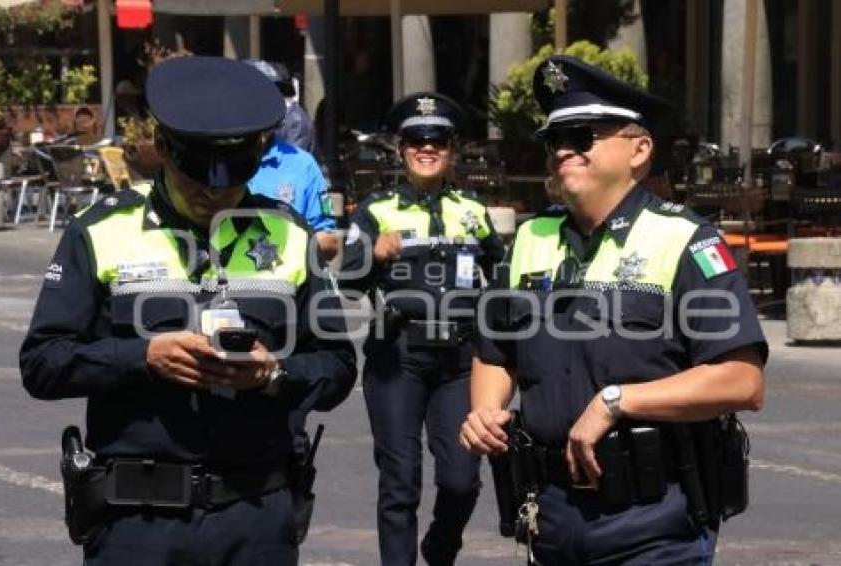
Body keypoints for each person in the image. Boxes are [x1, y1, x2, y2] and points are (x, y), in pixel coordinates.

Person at [20, 56, 356, 565]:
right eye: (197, 175)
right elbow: (42, 363)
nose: (214, 191)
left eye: (232, 176)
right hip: (138, 522)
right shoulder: (101, 229)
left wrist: (275, 374)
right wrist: (143, 357)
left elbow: (337, 366)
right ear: (163, 149)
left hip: (256, 518)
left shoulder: (290, 235)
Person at [460, 55, 768, 564]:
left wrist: (617, 400)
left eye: (582, 136)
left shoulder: (685, 239)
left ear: (639, 150)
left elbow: (742, 381)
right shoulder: (529, 240)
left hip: (654, 521)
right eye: (553, 139)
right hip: (552, 518)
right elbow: (495, 352)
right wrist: (485, 410)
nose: (564, 150)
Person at [339, 92, 505, 565]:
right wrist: (372, 256)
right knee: (400, 480)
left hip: (458, 359)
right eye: (415, 140)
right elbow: (345, 285)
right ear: (400, 149)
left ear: (453, 149)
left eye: (436, 140)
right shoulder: (374, 211)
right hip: (399, 357)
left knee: (461, 478)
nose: (425, 148)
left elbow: (505, 275)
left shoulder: (472, 211)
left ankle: (440, 546)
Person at [244, 59, 338, 260]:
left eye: (270, 100)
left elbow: (329, 240)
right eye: (252, 99)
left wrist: (286, 246)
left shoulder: (302, 165)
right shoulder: (214, 159)